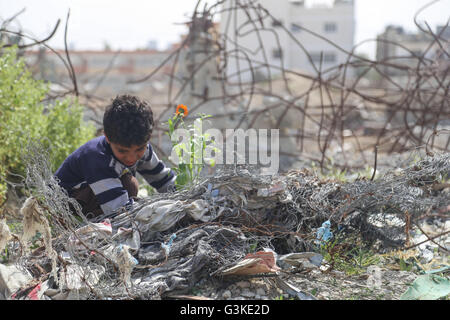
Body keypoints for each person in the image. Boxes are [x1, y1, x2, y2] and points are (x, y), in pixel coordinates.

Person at [55, 94, 176, 218]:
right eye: (123, 151)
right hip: (66, 206)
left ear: (148, 138)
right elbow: (119, 210)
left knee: (129, 185)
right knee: (130, 185)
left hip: (103, 194)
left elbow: (163, 180)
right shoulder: (97, 159)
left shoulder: (144, 148)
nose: (131, 158)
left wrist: (184, 198)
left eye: (139, 149)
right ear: (107, 138)